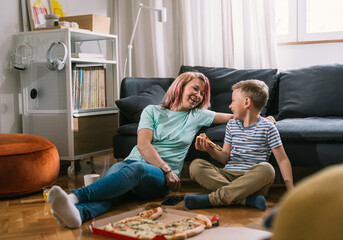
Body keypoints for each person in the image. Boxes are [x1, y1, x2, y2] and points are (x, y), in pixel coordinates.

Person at [46, 72, 233, 228]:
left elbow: (233, 117)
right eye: (195, 88)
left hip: (160, 176)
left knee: (136, 170)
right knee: (114, 190)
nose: (199, 95)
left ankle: (73, 198)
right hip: (131, 164)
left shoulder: (197, 115)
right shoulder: (151, 111)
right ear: (181, 86)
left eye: (203, 93)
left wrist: (259, 117)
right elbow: (143, 145)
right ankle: (79, 215)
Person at [184, 79, 293, 210]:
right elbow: (225, 157)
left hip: (252, 180)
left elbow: (282, 160)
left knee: (267, 169)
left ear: (247, 102)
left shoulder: (268, 127)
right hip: (229, 175)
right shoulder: (231, 125)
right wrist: (210, 150)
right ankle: (245, 198)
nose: (230, 106)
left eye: (233, 101)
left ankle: (213, 199)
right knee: (196, 166)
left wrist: (290, 189)